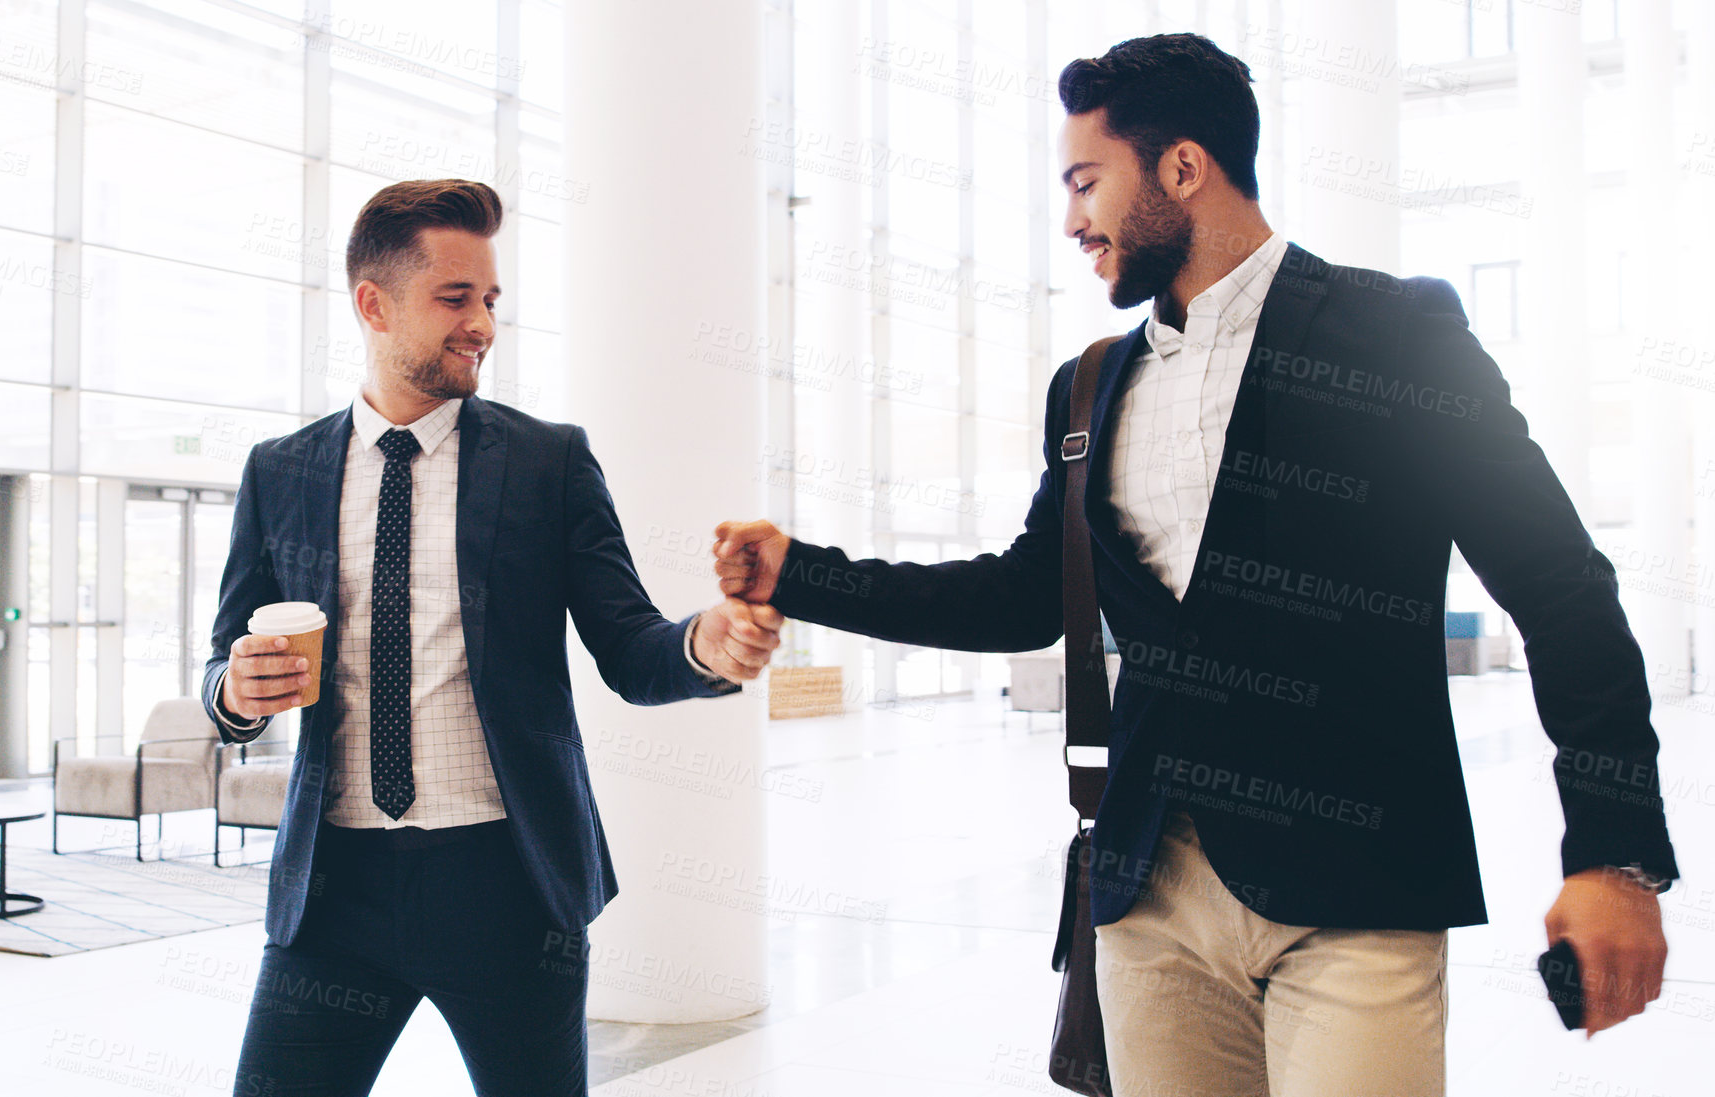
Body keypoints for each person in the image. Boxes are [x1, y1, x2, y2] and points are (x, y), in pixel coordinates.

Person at [713, 33, 1676, 1097]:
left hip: (1352, 892)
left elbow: (1559, 585)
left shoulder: (1396, 335)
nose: (1072, 220)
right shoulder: (1091, 387)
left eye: (1087, 182)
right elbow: (1022, 593)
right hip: (1150, 901)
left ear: (1182, 167)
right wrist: (801, 572)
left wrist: (1614, 850)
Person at [202, 178, 783, 1097]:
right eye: (455, 298)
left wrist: (705, 646)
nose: (482, 323)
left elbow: (628, 645)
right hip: (333, 892)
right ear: (373, 304)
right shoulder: (281, 472)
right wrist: (234, 694)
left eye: (490, 299)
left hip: (508, 889)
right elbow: (224, 660)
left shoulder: (547, 462)